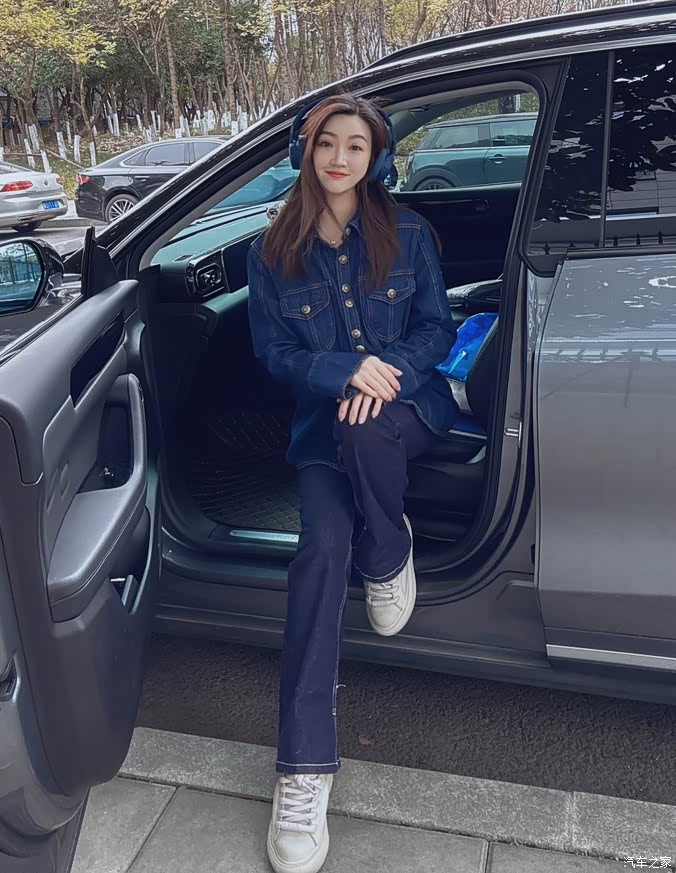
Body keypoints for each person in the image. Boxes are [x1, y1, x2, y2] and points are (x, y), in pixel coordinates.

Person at [246, 91, 458, 873]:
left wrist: (383, 373)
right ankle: (302, 771)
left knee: (367, 423)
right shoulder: (271, 249)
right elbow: (274, 353)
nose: (340, 157)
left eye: (356, 145)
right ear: (306, 151)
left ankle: (389, 550)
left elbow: (437, 328)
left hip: (407, 410)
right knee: (319, 554)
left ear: (377, 157)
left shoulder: (409, 232)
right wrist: (342, 371)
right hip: (320, 430)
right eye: (327, 142)